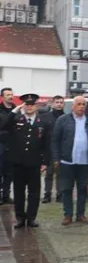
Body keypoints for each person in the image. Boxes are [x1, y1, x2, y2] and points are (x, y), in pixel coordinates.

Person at [0, 94, 49, 228]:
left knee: (34, 192)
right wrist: (15, 110)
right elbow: (2, 125)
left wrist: (45, 162)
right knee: (19, 192)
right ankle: (20, 218)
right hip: (18, 163)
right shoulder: (16, 119)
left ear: (36, 106)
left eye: (31, 104)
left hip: (34, 163)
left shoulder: (42, 123)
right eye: (26, 104)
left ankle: (31, 218)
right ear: (23, 106)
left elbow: (46, 144)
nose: (29, 107)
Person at [51, 96, 88, 225]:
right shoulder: (63, 120)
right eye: (78, 104)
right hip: (67, 161)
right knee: (66, 189)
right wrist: (56, 158)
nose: (81, 106)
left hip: (84, 162)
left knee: (82, 189)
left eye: (83, 104)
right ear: (72, 106)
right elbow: (55, 140)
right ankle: (68, 214)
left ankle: (80, 214)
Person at [41, 94, 64, 203]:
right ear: (53, 104)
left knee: (60, 174)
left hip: (61, 151)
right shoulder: (46, 117)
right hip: (49, 150)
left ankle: (60, 194)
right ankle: (47, 194)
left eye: (61, 102)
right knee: (49, 174)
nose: (59, 104)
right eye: (57, 102)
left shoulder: (66, 117)